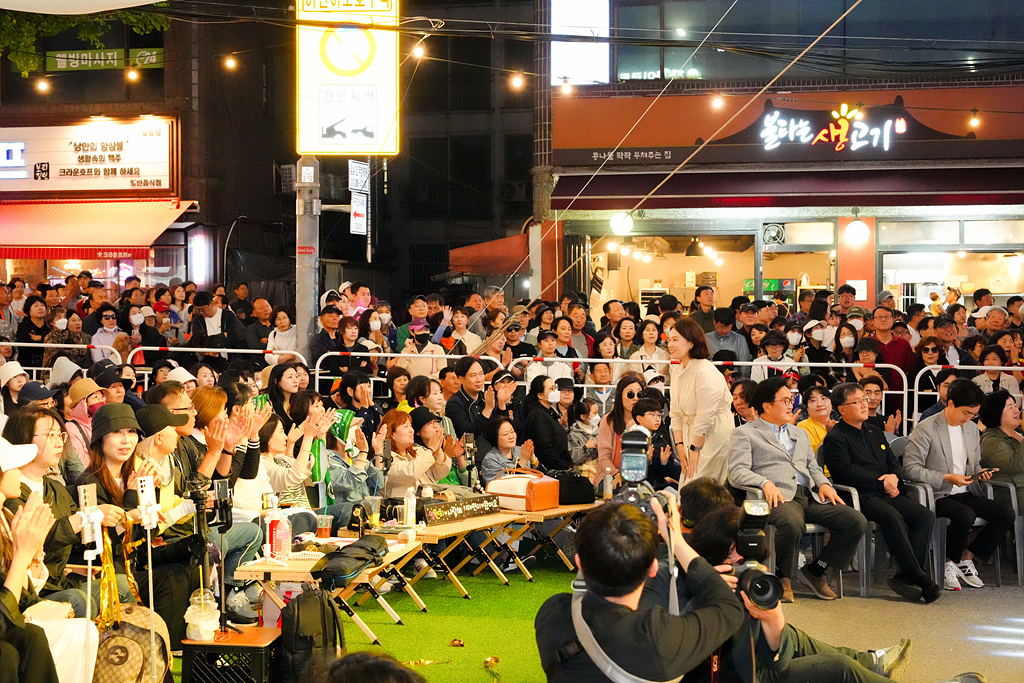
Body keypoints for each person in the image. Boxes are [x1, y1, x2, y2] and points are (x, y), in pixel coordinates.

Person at [687, 506, 983, 683]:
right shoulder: (694, 589)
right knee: (836, 670)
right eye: (735, 562)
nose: (745, 571)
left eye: (751, 562)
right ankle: (867, 664)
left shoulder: (743, 585)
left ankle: (869, 663)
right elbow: (769, 665)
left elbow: (770, 653)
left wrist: (771, 618)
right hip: (738, 675)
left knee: (791, 634)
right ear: (710, 556)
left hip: (750, 661)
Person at [534, 500, 744, 683]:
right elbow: (728, 607)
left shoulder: (552, 613)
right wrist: (676, 541)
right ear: (653, 568)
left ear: (579, 562)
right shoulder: (657, 638)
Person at [728, 376, 868, 603]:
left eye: (791, 399)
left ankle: (816, 570)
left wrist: (823, 483)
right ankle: (784, 576)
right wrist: (765, 483)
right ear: (767, 406)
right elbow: (737, 472)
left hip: (810, 495)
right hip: (778, 497)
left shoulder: (798, 433)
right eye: (784, 400)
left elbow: (812, 466)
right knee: (791, 522)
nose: (791, 405)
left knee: (855, 520)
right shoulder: (745, 433)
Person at [78, 404, 194, 648]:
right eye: (117, 432)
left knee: (187, 568)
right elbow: (96, 542)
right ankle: (152, 652)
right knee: (170, 578)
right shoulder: (88, 484)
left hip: (135, 564)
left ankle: (171, 653)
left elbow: (150, 528)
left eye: (131, 432)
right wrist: (132, 496)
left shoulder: (136, 474)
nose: (126, 440)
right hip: (108, 572)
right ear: (100, 439)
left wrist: (152, 494)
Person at [822, 382, 941, 603]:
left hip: (887, 491)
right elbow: (846, 472)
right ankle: (920, 577)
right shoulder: (835, 438)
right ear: (842, 409)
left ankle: (905, 576)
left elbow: (893, 462)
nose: (864, 405)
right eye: (856, 401)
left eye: (864, 400)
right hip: (858, 496)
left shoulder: (875, 431)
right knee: (891, 516)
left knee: (924, 515)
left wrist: (894, 477)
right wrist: (881, 483)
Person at [903, 379, 1016, 591]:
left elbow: (972, 466)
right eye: (966, 413)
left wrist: (979, 474)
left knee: (1005, 513)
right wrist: (946, 477)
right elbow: (910, 469)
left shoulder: (972, 430)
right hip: (938, 493)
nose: (969, 418)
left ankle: (967, 558)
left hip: (964, 489)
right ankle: (949, 563)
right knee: (965, 515)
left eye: (974, 414)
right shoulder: (927, 428)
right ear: (951, 404)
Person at [668, 318, 734, 484]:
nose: (670, 344)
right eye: (669, 340)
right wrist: (680, 446)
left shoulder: (705, 371)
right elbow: (675, 413)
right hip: (692, 435)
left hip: (713, 435)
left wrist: (695, 449)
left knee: (698, 486)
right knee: (686, 487)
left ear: (691, 343)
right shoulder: (677, 370)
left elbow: (705, 417)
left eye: (675, 340)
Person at [380, 409, 450, 498]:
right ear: (392, 434)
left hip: (426, 504)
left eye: (411, 426)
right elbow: (409, 474)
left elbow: (441, 473)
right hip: (401, 508)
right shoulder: (383, 456)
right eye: (406, 426)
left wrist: (438, 449)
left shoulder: (417, 452)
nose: (411, 430)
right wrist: (431, 449)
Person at [592, 374, 645, 490]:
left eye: (639, 394)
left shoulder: (645, 421)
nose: (636, 398)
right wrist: (616, 474)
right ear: (620, 396)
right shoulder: (609, 420)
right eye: (630, 394)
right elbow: (604, 457)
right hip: (610, 475)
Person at [979, 389, 1024, 511]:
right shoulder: (990, 441)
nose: (1017, 411)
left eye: (1016, 406)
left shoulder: (1019, 432)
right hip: (1013, 493)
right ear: (997, 413)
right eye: (1010, 407)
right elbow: (1017, 465)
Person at [479, 416, 536, 486]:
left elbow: (542, 477)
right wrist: (523, 461)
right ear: (495, 437)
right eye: (505, 434)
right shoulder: (491, 460)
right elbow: (505, 487)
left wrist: (534, 461)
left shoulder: (521, 450)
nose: (511, 436)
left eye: (512, 432)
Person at [797, 385, 835, 454]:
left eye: (823, 399)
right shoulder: (803, 427)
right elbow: (811, 456)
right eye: (813, 400)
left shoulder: (838, 425)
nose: (819, 404)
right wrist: (829, 435)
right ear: (807, 408)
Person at [567, 398, 600, 479]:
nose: (598, 416)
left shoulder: (601, 431)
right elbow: (574, 458)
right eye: (594, 413)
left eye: (598, 413)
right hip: (582, 474)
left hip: (599, 471)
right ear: (583, 417)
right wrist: (585, 447)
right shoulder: (574, 435)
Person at [15, 295, 49, 370]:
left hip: (47, 367)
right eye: (36, 306)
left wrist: (41, 338)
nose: (40, 308)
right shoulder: (24, 327)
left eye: (42, 305)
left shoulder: (50, 327)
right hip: (28, 366)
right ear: (28, 310)